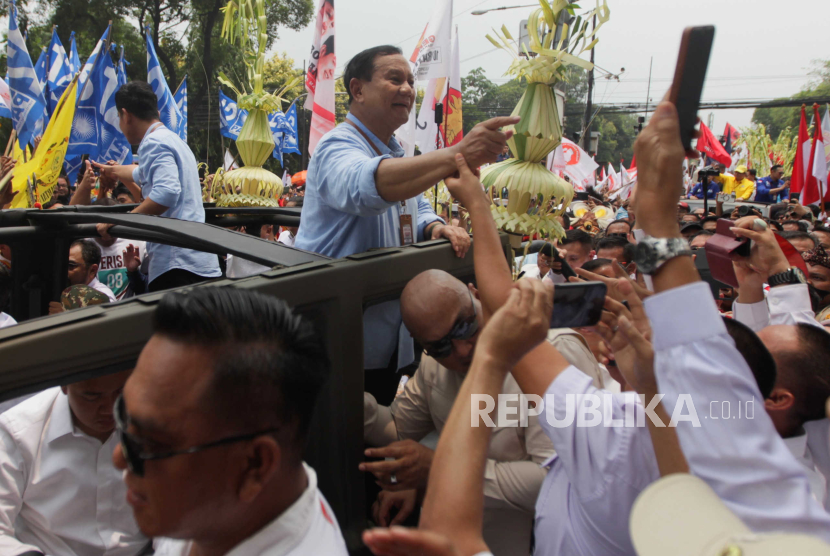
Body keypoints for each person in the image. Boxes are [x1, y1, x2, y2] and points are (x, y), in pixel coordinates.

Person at [294, 44, 505, 380]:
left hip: (394, 339)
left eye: (410, 81)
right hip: (340, 341)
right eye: (394, 79)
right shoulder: (336, 146)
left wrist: (435, 227)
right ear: (357, 89)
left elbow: (415, 205)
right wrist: (458, 154)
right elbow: (366, 188)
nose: (407, 89)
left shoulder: (396, 152)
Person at [362, 268, 604, 556]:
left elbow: (565, 479)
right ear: (421, 344)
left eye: (464, 326)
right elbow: (398, 428)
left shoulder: (550, 352)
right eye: (440, 345)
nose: (461, 349)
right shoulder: (434, 365)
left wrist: (439, 470)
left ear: (475, 295)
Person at [113, 288, 347, 555]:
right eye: (123, 416)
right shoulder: (230, 513)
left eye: (147, 444)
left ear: (254, 466)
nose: (119, 458)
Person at [0, 370, 149, 555]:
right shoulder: (18, 434)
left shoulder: (154, 419)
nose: (109, 408)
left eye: (120, 392)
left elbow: (176, 516)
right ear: (64, 386)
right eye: (92, 396)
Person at [94, 81, 221, 291]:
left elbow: (167, 193)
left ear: (125, 115)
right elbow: (139, 173)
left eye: (118, 117)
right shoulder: (173, 140)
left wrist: (120, 221)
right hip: (196, 262)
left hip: (177, 268)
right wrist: (112, 171)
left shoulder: (153, 143)